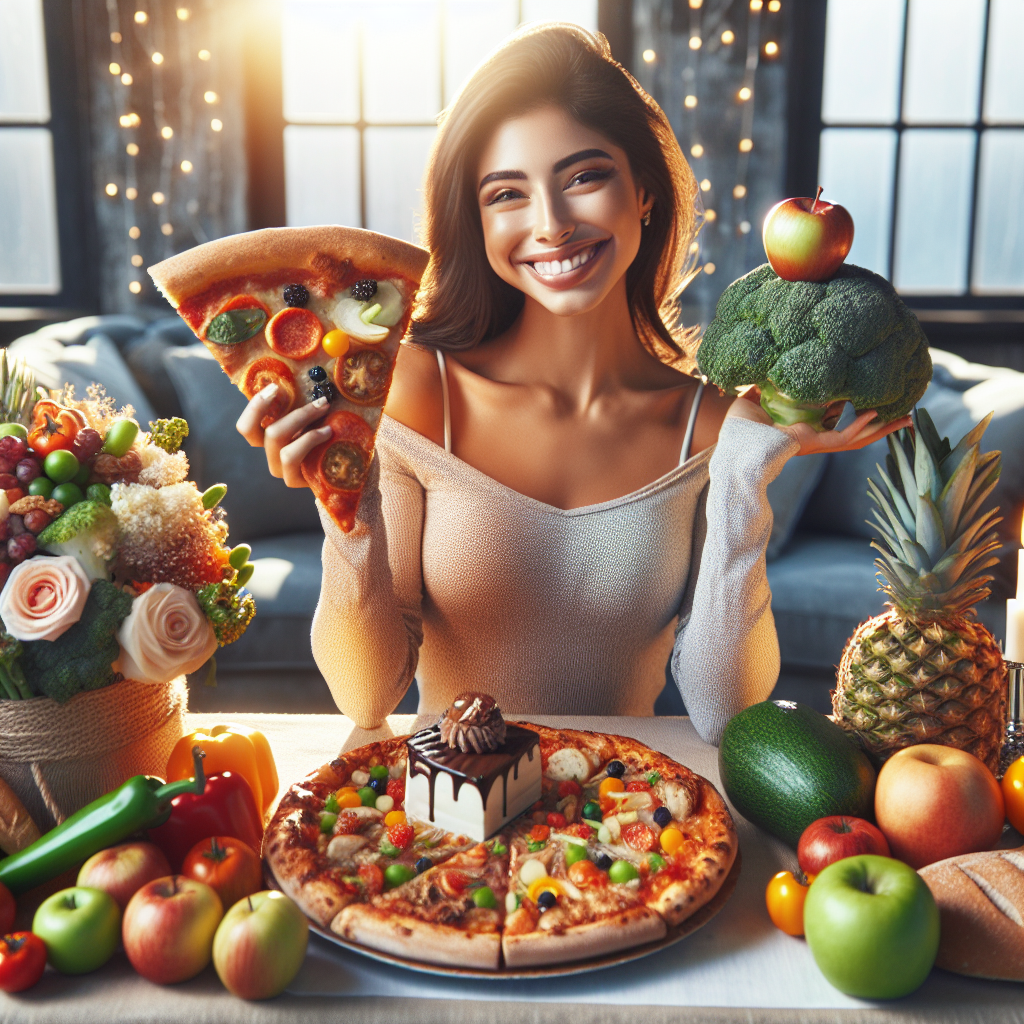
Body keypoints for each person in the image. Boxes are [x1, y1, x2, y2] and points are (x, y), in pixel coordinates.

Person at [237, 23, 904, 743]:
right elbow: (365, 696)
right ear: (477, 220)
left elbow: (724, 713)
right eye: (506, 194)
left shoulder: (708, 426)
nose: (551, 225)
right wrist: (349, 506)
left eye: (584, 177)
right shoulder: (416, 391)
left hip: (635, 826)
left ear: (643, 190)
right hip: (453, 827)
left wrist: (746, 475)